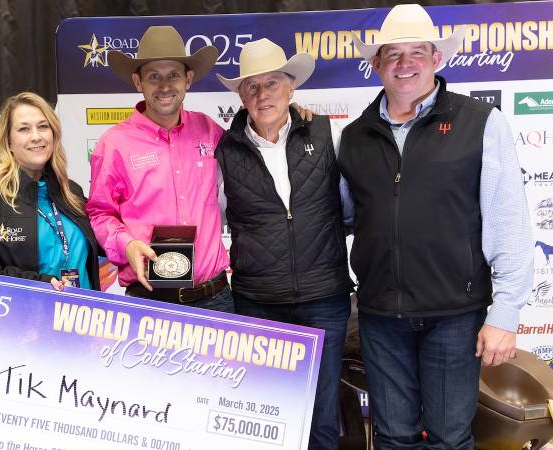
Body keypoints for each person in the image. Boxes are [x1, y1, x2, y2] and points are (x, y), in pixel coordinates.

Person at [338, 4, 533, 449]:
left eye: (417, 53)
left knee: (448, 438)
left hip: (455, 315)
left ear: (436, 58)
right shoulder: (354, 136)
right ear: (376, 63)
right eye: (393, 54)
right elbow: (349, 217)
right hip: (380, 316)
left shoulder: (481, 122)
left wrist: (505, 313)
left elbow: (509, 222)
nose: (405, 64)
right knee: (393, 437)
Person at [214, 38, 354, 450]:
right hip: (258, 302)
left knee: (322, 418)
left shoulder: (329, 135)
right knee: (268, 420)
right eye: (252, 86)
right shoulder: (224, 151)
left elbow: (349, 212)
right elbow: (217, 217)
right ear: (241, 97)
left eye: (272, 83)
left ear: (291, 88)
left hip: (324, 298)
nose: (263, 94)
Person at [86, 25, 234, 311]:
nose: (165, 86)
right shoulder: (114, 144)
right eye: (154, 76)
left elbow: (255, 145)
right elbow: (100, 213)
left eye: (173, 75)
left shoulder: (209, 130)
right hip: (150, 302)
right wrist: (126, 244)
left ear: (188, 79)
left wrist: (293, 116)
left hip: (216, 298)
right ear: (138, 82)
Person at [0, 92, 100, 290]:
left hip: (82, 308)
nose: (36, 137)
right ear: (8, 142)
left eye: (43, 126)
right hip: (28, 309)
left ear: (54, 134)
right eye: (24, 129)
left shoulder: (71, 192)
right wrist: (39, 283)